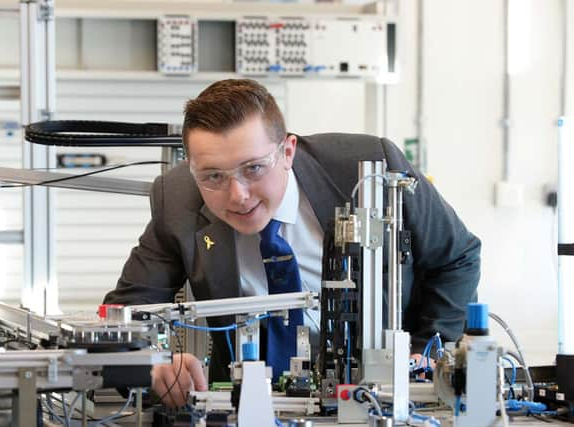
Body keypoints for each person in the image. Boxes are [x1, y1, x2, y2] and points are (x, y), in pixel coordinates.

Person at [103, 79, 481, 407]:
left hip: (376, 392)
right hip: (244, 401)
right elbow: (122, 314)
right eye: (213, 176)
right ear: (191, 169)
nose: (237, 195)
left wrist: (422, 350)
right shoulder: (177, 199)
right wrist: (150, 367)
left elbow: (458, 257)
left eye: (253, 169)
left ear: (287, 152)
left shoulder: (371, 168)